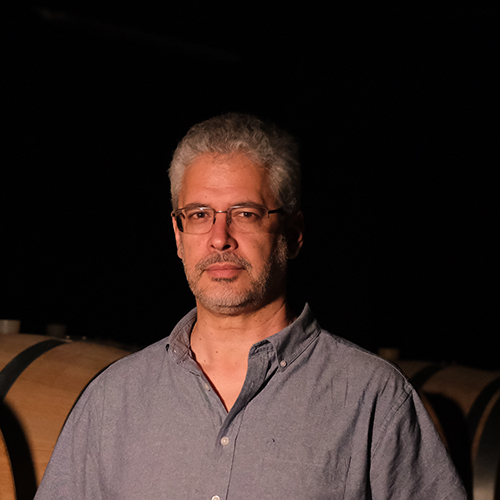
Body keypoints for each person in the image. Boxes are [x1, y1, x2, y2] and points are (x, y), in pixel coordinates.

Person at [35, 113, 466, 499]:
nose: (219, 238)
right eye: (199, 214)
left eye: (245, 213)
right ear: (178, 235)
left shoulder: (374, 398)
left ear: (293, 233)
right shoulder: (112, 400)